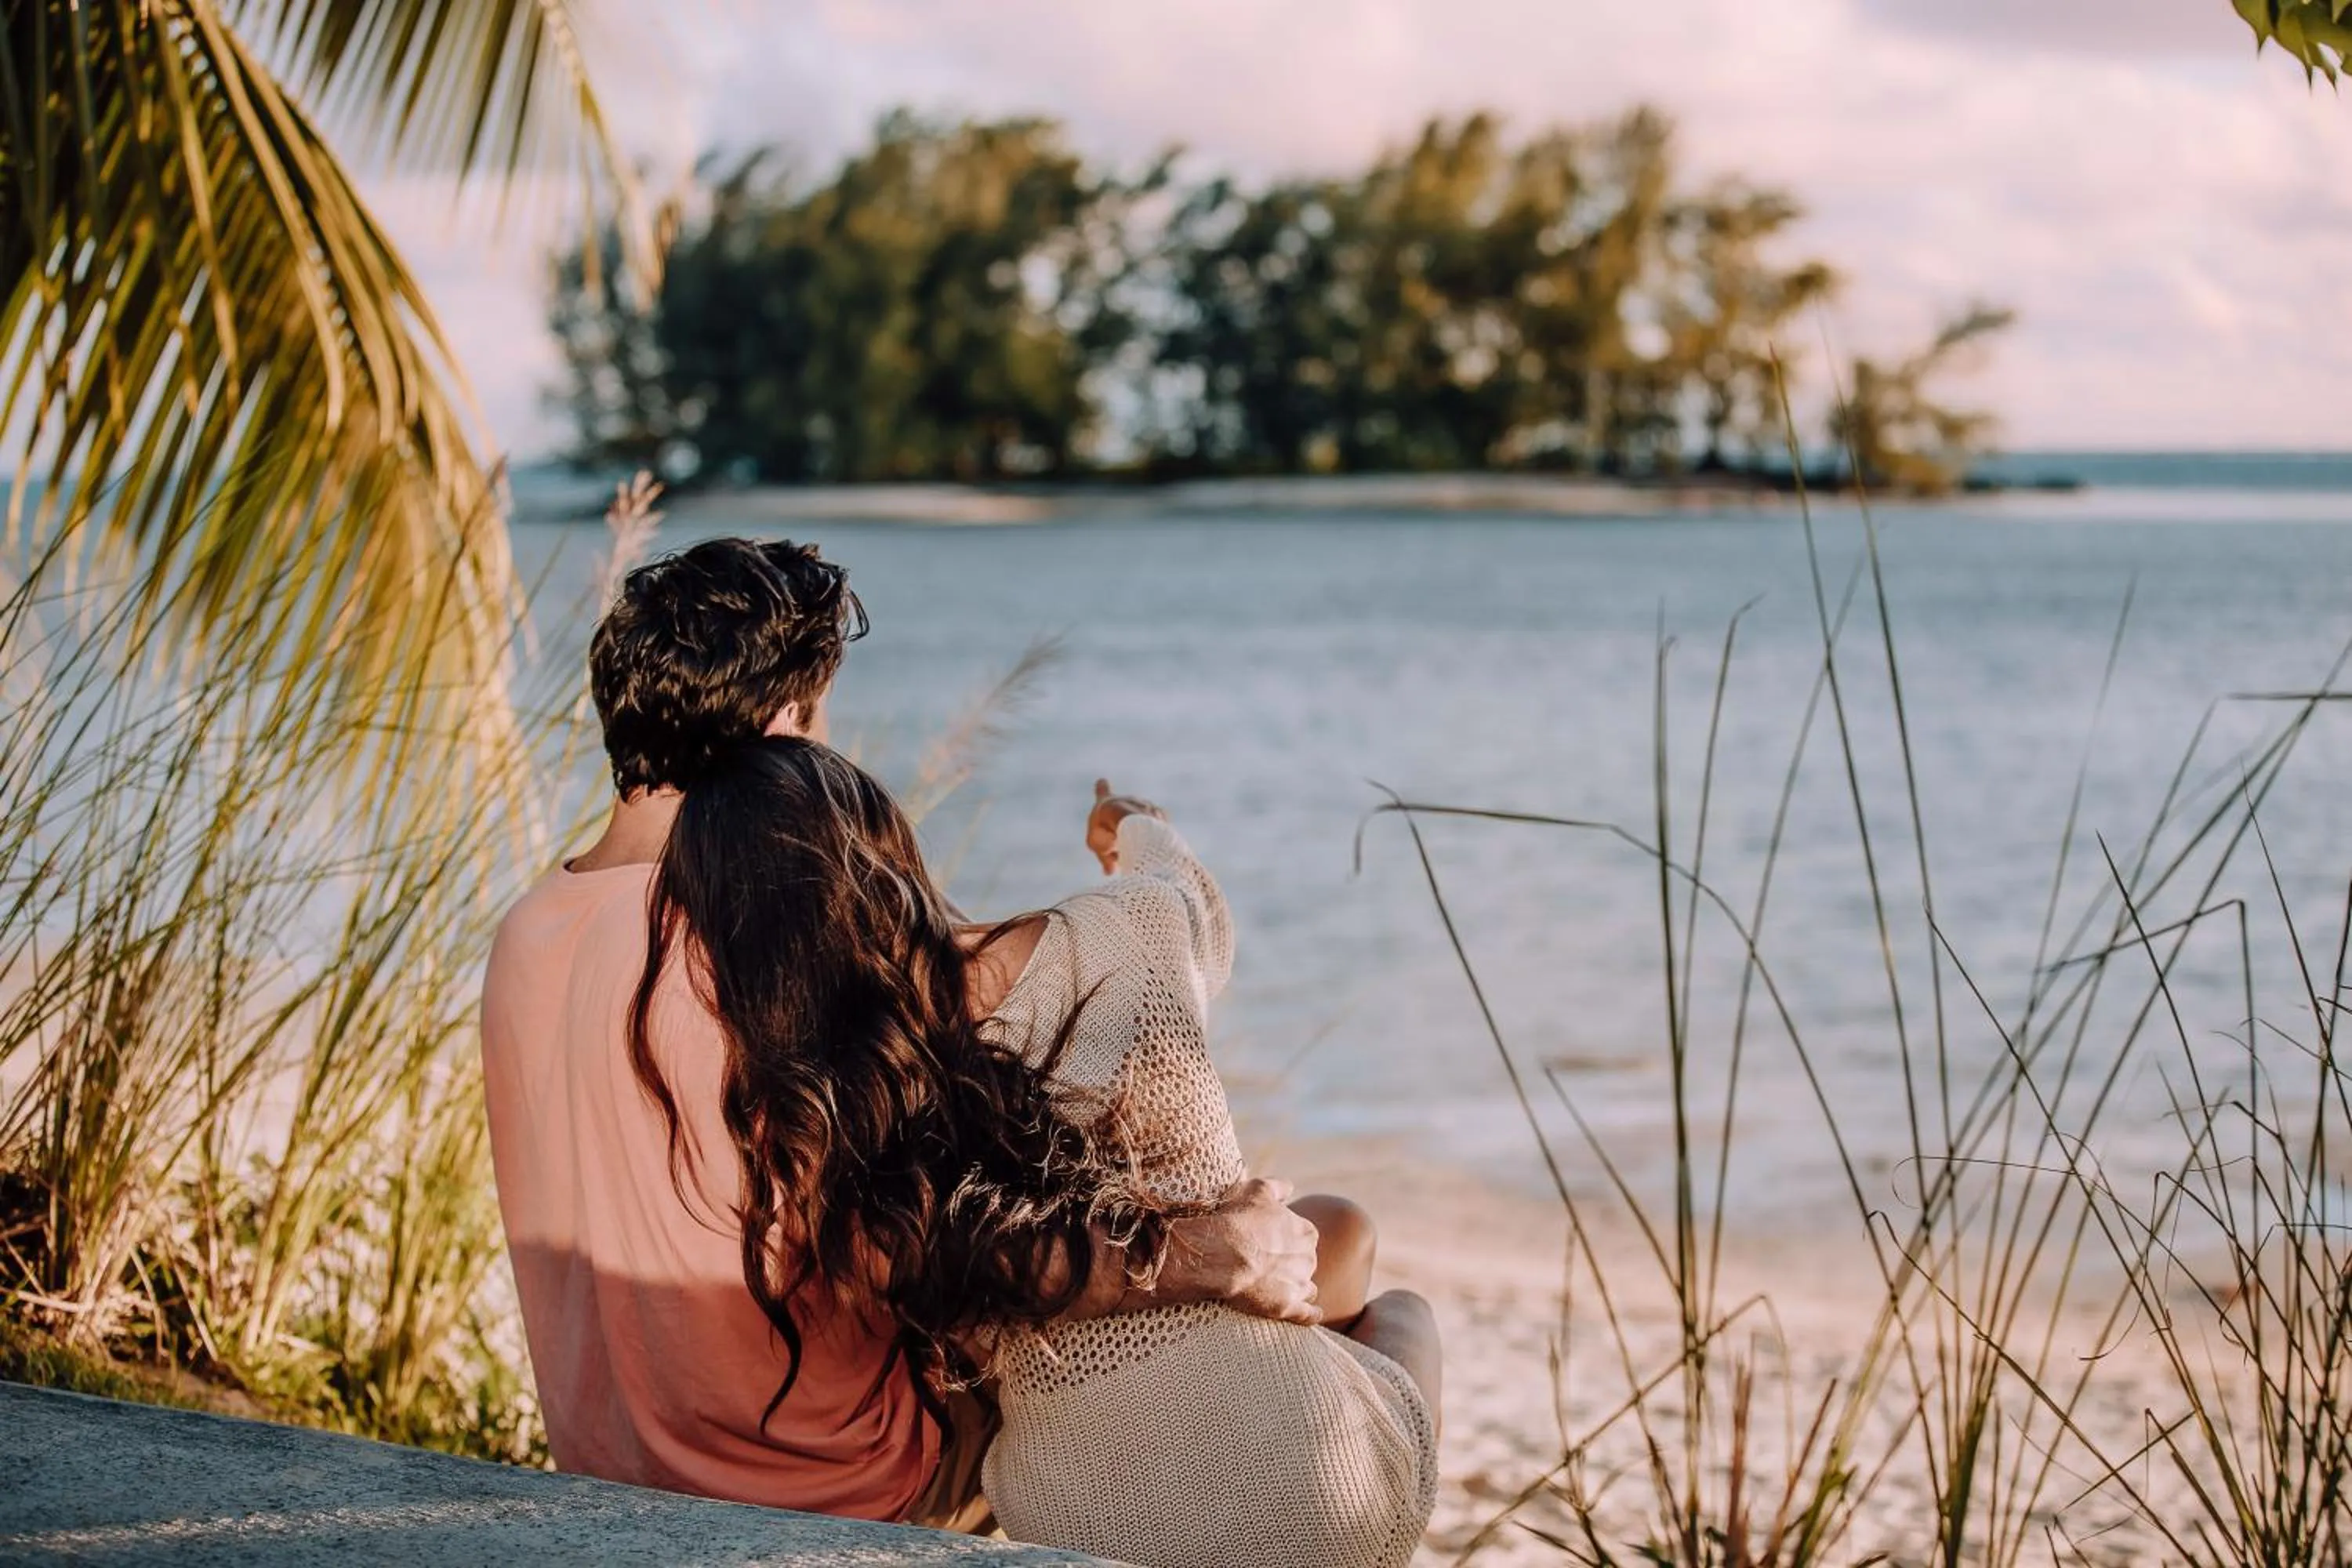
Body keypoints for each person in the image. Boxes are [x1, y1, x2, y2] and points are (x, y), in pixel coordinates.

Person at [480, 538, 1323, 1530]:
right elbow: (919, 1240)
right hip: (838, 1490)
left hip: (611, 1472)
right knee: (1332, 1262)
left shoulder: (527, 931)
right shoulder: (762, 940)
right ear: (786, 724)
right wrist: (1141, 837)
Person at [643, 735, 1443, 1568]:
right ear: (887, 845)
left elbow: (970, 1271)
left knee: (1336, 1233)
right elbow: (1198, 903)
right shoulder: (1124, 933)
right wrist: (1131, 824)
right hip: (1331, 1495)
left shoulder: (827, 1118)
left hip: (1080, 1513)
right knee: (1404, 1314)